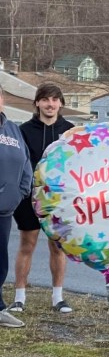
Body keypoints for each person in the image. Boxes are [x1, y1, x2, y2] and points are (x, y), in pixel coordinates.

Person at [9, 83, 75, 314]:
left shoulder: (70, 131)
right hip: (29, 197)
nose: (50, 104)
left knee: (57, 248)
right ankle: (19, 297)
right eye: (45, 99)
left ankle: (58, 298)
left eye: (55, 100)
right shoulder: (24, 130)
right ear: (37, 103)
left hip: (59, 200)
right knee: (27, 245)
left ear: (61, 103)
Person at [0, 85, 31, 328]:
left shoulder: (12, 130)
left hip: (5, 209)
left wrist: (20, 192)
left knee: (1, 261)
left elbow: (26, 163)